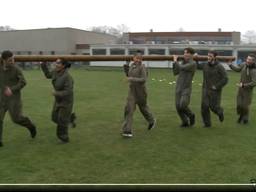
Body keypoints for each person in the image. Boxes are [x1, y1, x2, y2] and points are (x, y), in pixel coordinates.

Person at [0, 50, 37, 147]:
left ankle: (31, 126)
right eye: (10, 60)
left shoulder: (16, 69)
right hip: (2, 99)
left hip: (14, 99)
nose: (12, 61)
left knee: (16, 119)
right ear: (3, 60)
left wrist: (12, 89)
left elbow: (23, 82)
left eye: (13, 59)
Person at [122, 51, 156, 137]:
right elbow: (128, 74)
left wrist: (131, 79)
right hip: (132, 91)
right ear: (133, 58)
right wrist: (126, 65)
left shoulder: (142, 67)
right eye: (137, 58)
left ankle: (151, 120)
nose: (138, 60)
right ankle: (127, 130)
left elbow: (143, 79)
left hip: (141, 91)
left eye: (140, 58)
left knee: (143, 108)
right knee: (129, 109)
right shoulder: (132, 66)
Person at [41, 59, 76, 143]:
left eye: (58, 63)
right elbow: (48, 75)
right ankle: (70, 119)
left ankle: (64, 138)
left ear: (63, 66)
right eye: (56, 63)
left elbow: (68, 91)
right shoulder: (55, 72)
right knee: (54, 117)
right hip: (58, 100)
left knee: (61, 120)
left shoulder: (67, 77)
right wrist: (43, 64)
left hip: (66, 101)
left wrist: (57, 93)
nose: (56, 64)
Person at [200, 50, 228, 127]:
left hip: (215, 91)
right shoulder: (205, 65)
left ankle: (220, 112)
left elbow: (225, 79)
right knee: (204, 107)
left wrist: (216, 86)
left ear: (215, 57)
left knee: (213, 107)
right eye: (208, 56)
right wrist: (195, 57)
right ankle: (207, 124)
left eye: (210, 56)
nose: (208, 57)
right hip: (205, 89)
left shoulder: (219, 67)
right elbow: (198, 66)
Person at [228, 54, 256, 124]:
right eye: (247, 59)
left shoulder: (254, 70)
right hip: (240, 90)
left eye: (250, 60)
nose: (248, 61)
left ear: (253, 61)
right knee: (239, 105)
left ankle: (245, 119)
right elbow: (237, 69)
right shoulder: (244, 64)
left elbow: (254, 82)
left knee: (245, 106)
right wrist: (230, 65)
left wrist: (244, 85)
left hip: (248, 91)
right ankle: (241, 115)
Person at [172, 47, 196, 127]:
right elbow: (175, 72)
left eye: (187, 53)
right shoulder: (182, 62)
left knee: (183, 104)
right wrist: (174, 63)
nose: (185, 54)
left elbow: (182, 68)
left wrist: (175, 61)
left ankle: (191, 115)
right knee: (178, 107)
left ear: (192, 55)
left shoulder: (193, 63)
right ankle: (185, 122)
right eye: (184, 52)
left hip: (186, 88)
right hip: (178, 87)